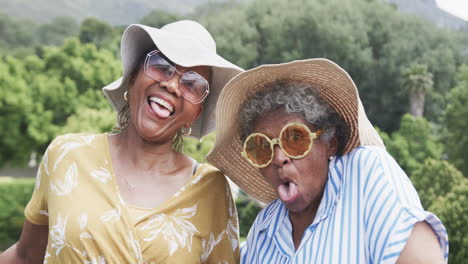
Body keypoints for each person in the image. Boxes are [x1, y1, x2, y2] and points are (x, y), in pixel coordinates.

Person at [0, 20, 243, 263]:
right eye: (161, 66)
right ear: (132, 77)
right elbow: (25, 255)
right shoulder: (67, 155)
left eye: (192, 84)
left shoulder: (210, 190)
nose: (172, 85)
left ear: (196, 113)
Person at [207, 59, 448, 263]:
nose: (279, 158)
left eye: (295, 138)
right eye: (261, 147)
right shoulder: (264, 229)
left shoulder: (365, 174)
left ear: (330, 142)